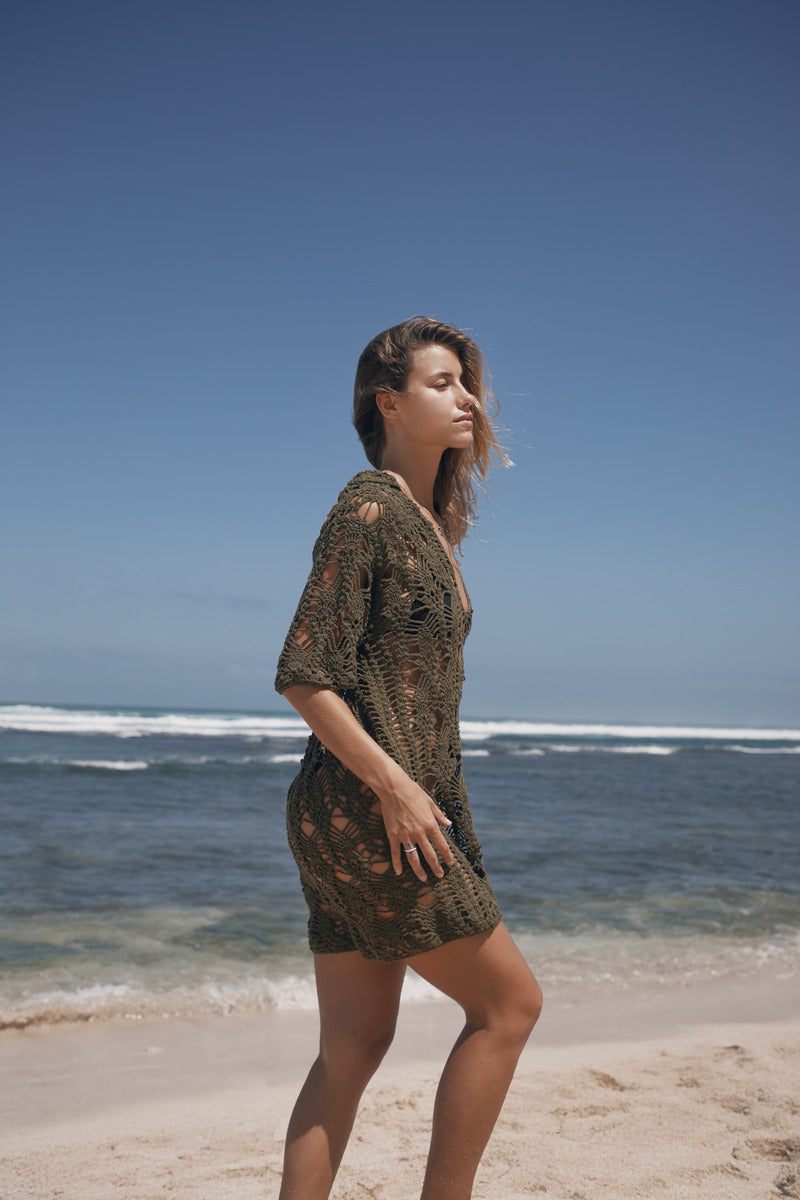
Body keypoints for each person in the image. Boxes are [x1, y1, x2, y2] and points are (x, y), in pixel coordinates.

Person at [274, 316, 542, 1200]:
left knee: (353, 1044)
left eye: (466, 384)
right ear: (388, 402)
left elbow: (422, 701)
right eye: (441, 383)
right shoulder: (371, 508)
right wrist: (396, 792)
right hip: (366, 806)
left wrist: (444, 816)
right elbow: (305, 675)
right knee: (509, 1007)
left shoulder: (433, 524)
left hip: (362, 807)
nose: (466, 398)